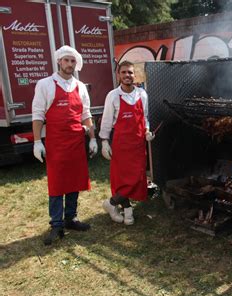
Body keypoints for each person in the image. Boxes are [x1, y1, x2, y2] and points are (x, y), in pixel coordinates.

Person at [32, 45, 98, 246]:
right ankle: (56, 224)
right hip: (56, 143)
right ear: (59, 61)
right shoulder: (45, 84)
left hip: (76, 142)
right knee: (57, 183)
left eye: (73, 61)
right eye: (66, 60)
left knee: (74, 180)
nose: (70, 64)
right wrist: (37, 142)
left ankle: (71, 218)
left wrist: (93, 138)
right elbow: (38, 115)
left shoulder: (80, 86)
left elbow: (86, 114)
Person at [99, 61, 154, 225]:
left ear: (134, 75)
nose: (127, 76)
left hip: (138, 144)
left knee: (137, 177)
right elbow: (107, 120)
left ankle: (111, 204)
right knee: (122, 179)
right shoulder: (113, 96)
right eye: (124, 72)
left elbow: (145, 117)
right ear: (118, 75)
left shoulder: (142, 94)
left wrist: (147, 131)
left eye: (130, 72)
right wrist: (104, 142)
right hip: (121, 144)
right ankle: (127, 210)